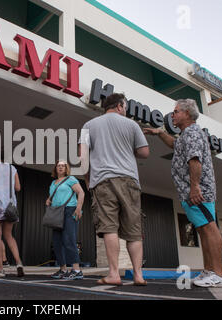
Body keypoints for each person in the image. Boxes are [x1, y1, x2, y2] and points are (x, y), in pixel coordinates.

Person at [144, 99, 222, 288]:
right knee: (202, 230)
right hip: (190, 192)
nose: (172, 115)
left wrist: (195, 187)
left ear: (187, 114)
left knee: (209, 228)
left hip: (199, 191)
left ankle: (219, 274)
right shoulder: (185, 135)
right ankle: (209, 271)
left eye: (175, 112)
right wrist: (160, 133)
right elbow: (175, 145)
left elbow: (195, 160)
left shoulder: (192, 133)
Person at [79, 93, 149, 286]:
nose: (125, 110)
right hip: (130, 181)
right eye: (124, 106)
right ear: (119, 106)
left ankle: (113, 274)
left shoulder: (88, 126)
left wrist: (88, 180)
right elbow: (144, 152)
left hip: (103, 180)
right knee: (134, 230)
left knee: (109, 227)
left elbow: (82, 157)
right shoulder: (132, 125)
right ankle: (138, 275)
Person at [46, 160, 85, 280]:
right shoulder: (53, 183)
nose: (61, 167)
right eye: (58, 165)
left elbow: (81, 193)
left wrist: (78, 208)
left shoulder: (71, 179)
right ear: (55, 168)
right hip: (57, 213)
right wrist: (48, 200)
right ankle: (63, 269)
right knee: (57, 242)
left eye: (63, 165)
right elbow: (54, 195)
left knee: (69, 240)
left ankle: (77, 270)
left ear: (66, 168)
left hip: (70, 210)